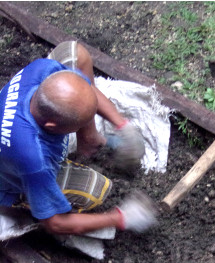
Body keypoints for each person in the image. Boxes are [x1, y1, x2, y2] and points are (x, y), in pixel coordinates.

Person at [0, 41, 155, 235]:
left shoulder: (42, 70)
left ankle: (89, 139)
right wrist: (121, 217)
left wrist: (122, 126)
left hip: (16, 138)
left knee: (75, 53)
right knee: (96, 189)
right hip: (9, 179)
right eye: (81, 124)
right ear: (52, 126)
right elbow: (55, 223)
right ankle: (20, 202)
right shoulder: (35, 160)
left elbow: (84, 87)